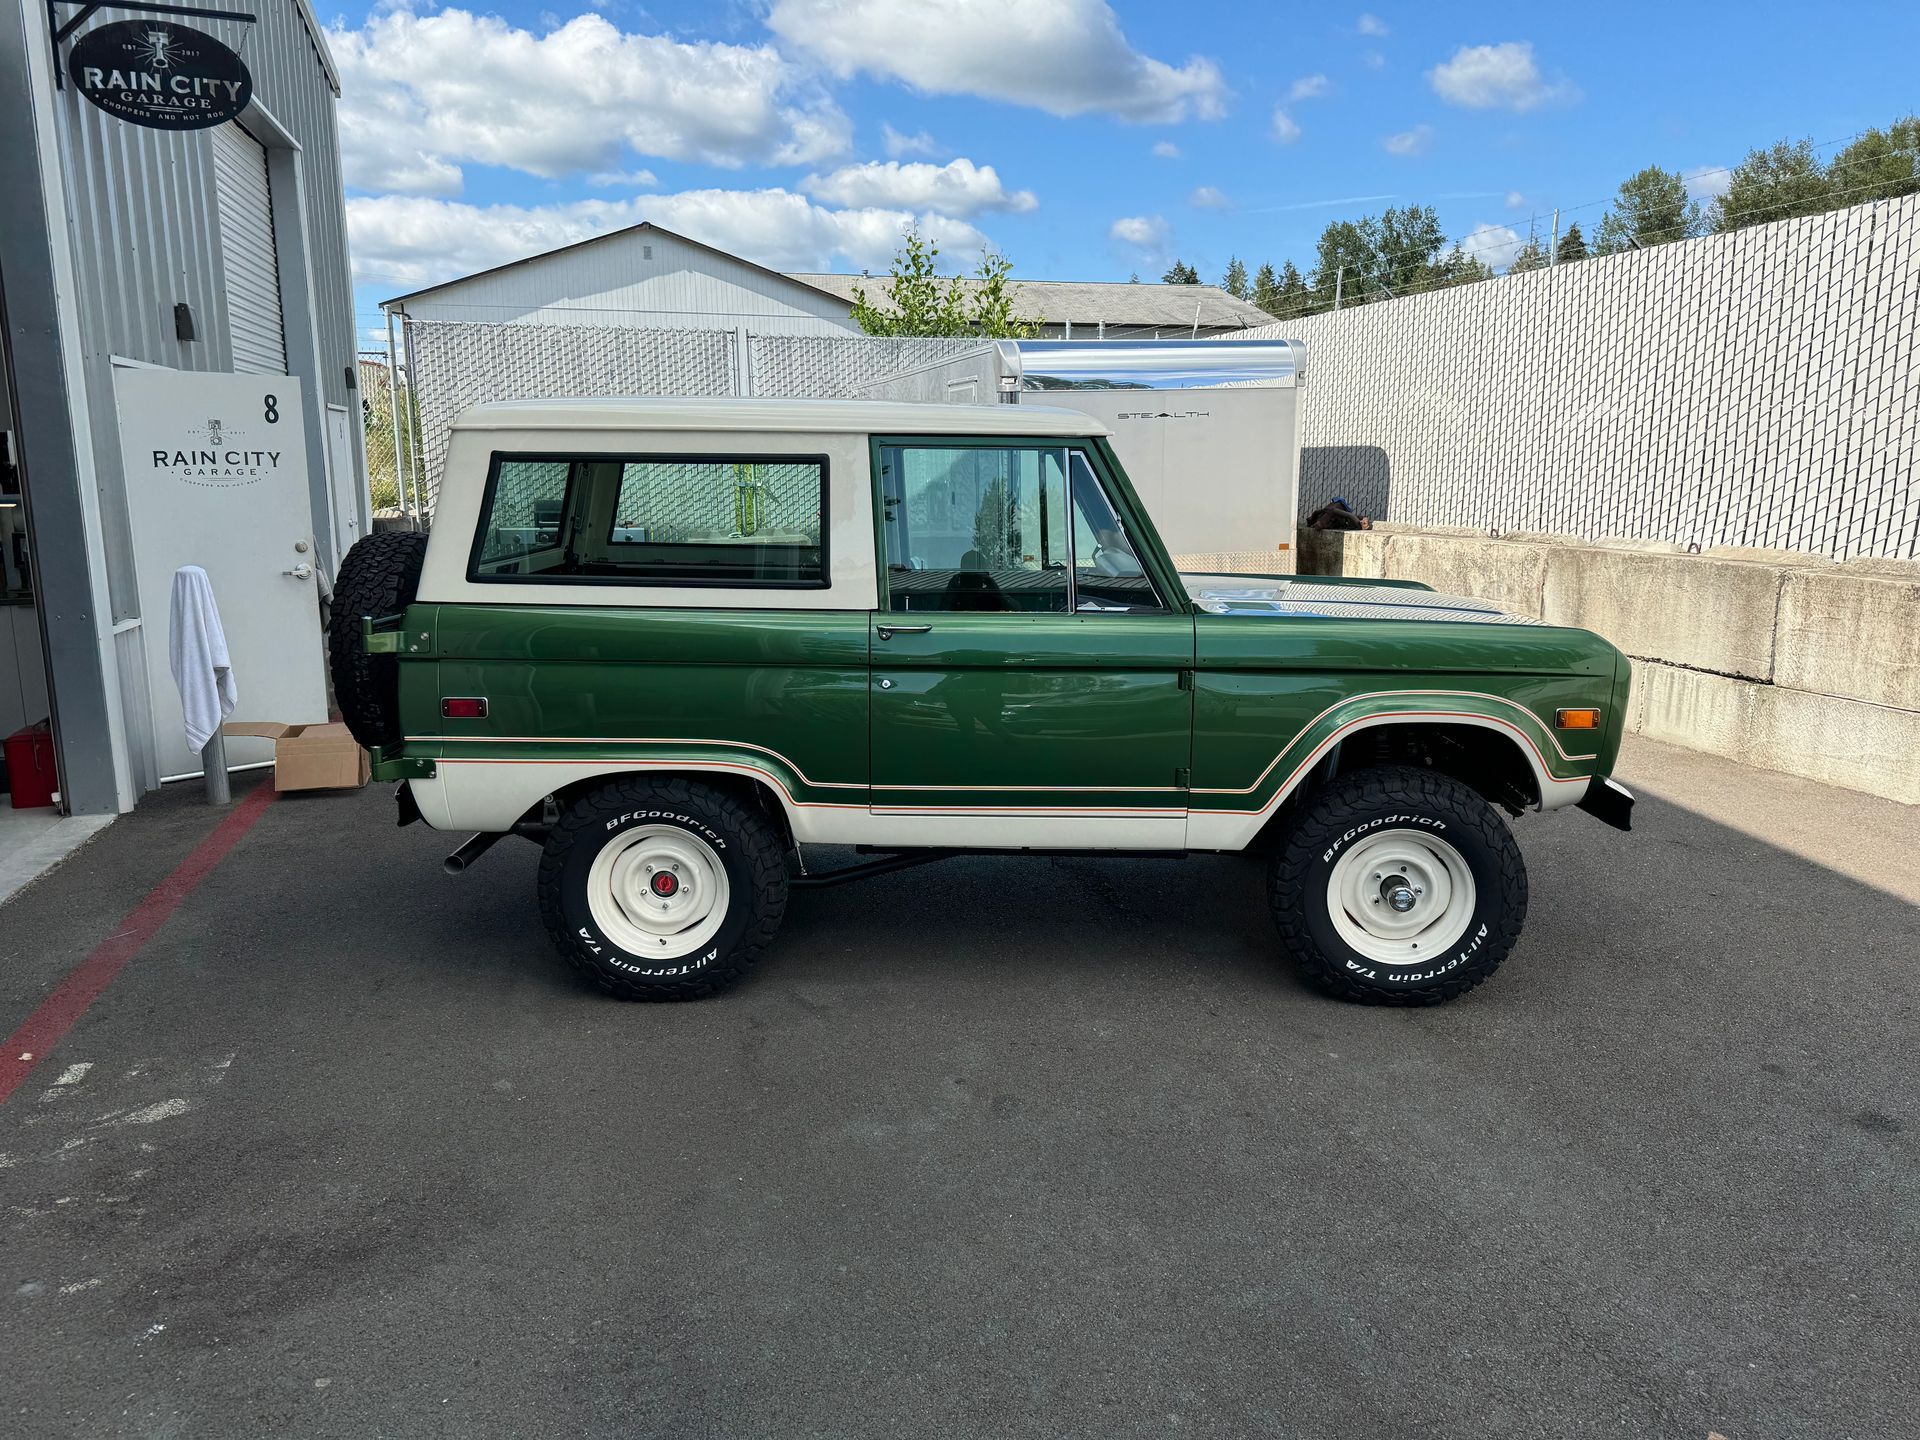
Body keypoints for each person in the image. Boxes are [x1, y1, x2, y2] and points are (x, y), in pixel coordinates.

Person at [1305, 495, 1373, 531]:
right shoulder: (1356, 520)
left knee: (1335, 508)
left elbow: (1350, 516)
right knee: (1336, 506)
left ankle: (1318, 522)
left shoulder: (1357, 523)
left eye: (1364, 523)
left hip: (1333, 512)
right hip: (1333, 511)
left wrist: (1327, 510)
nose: (1362, 522)